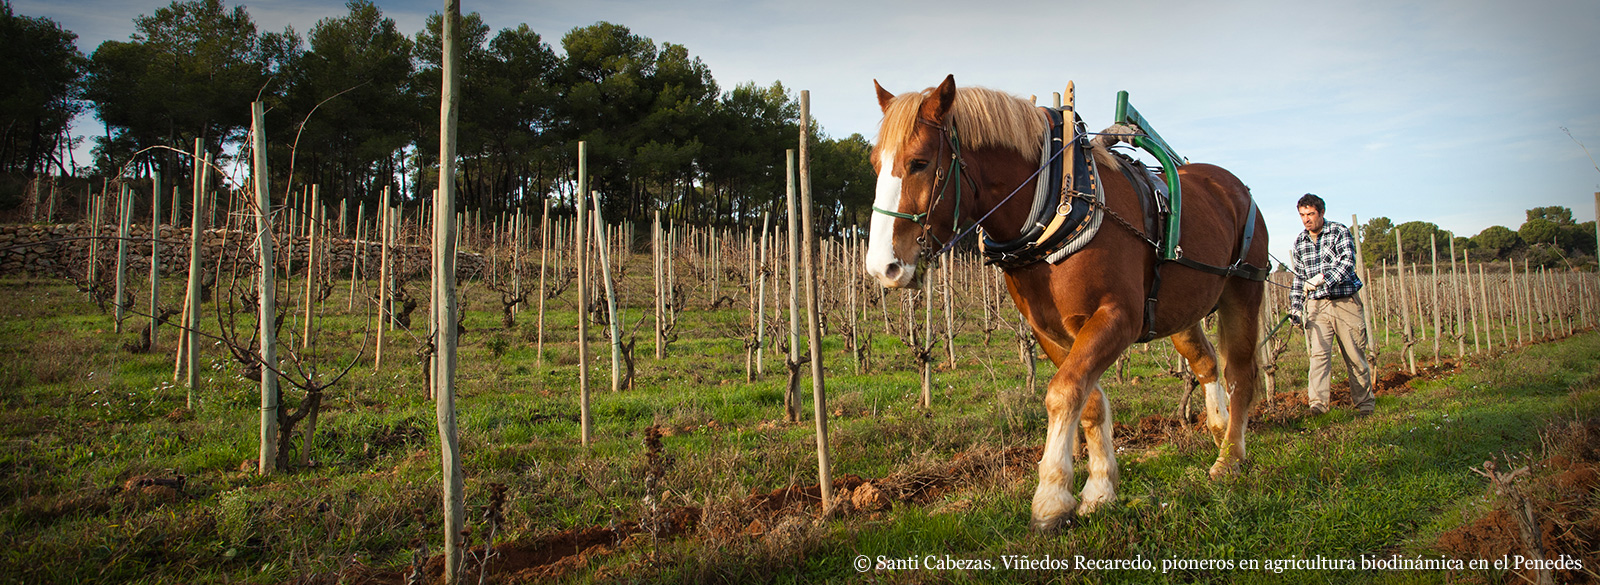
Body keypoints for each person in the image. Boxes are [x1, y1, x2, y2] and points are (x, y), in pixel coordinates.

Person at [1289, 193, 1374, 417]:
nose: (1306, 219)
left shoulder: (1339, 232)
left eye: (1310, 214)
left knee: (1355, 356)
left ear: (1321, 213)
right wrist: (1296, 307)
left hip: (1345, 302)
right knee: (1318, 358)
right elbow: (1299, 278)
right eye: (1302, 215)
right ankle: (1317, 406)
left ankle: (1364, 405)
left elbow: (1347, 263)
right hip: (1317, 307)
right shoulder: (1300, 241)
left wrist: (1322, 278)